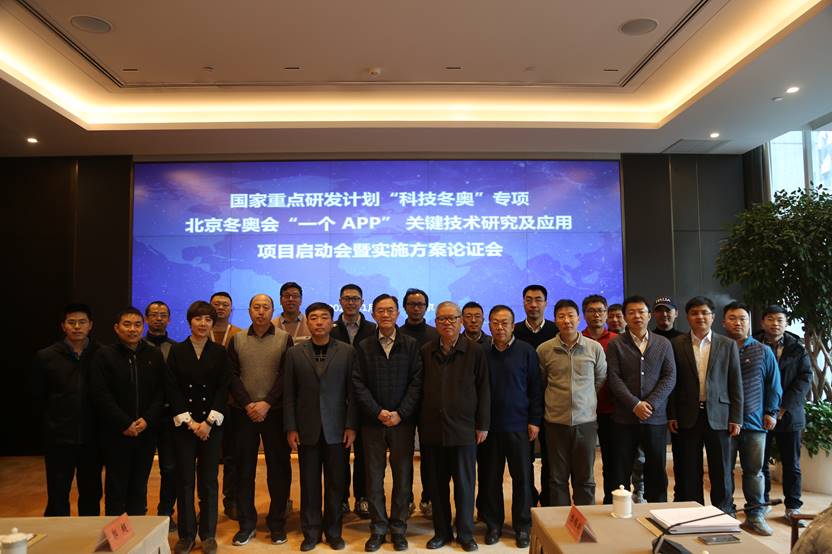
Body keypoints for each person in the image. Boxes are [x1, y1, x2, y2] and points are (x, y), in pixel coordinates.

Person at [284, 302, 359, 551]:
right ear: (307, 322)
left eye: (324, 317)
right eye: (314, 317)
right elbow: (289, 394)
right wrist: (291, 427)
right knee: (309, 485)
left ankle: (334, 532)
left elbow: (353, 393)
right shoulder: (294, 353)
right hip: (307, 429)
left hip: (337, 429)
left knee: (336, 484)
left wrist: (351, 426)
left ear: (331, 322)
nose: (318, 322)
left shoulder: (347, 352)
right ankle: (311, 533)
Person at [353, 294, 423, 552]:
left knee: (403, 477)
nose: (385, 314)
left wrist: (400, 413)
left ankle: (399, 527)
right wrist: (377, 412)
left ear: (397, 313)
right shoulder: (364, 346)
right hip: (373, 423)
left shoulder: (411, 344)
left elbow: (417, 382)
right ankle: (378, 527)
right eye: (380, 310)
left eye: (390, 310)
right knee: (374, 478)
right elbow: (357, 382)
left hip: (402, 423)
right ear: (373, 314)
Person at [420, 301, 489, 552]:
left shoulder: (475, 351)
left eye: (452, 318)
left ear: (460, 321)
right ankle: (442, 533)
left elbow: (484, 389)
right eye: (442, 319)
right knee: (437, 486)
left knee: (464, 485)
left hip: (464, 430)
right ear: (435, 322)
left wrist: (483, 425)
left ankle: (466, 533)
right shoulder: (426, 351)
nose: (447, 323)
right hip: (433, 430)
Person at [166, 301, 231, 554]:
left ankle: (208, 534)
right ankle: (186, 535)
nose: (203, 324)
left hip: (211, 426)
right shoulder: (177, 350)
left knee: (209, 481)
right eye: (198, 319)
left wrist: (208, 423)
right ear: (189, 321)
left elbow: (223, 388)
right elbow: (172, 388)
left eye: (208, 319)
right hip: (185, 426)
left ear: (212, 323)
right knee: (184, 481)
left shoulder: (220, 352)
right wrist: (191, 422)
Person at [228, 294, 293, 547]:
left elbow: (286, 375)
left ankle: (277, 523)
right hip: (243, 413)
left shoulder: (284, 338)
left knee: (279, 469)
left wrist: (267, 403)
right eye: (256, 307)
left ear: (272, 311)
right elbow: (232, 376)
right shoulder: (237, 339)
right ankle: (246, 524)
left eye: (266, 307)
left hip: (274, 412)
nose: (261, 311)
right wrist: (248, 404)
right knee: (243, 470)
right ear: (249, 311)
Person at [668, 296, 743, 513]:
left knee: (722, 469)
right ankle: (695, 513)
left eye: (704, 313)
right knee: (690, 470)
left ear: (713, 317)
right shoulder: (676, 344)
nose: (700, 317)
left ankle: (724, 511)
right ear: (687, 317)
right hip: (687, 415)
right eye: (694, 313)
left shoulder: (727, 344)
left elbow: (735, 383)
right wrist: (672, 414)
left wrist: (736, 417)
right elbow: (672, 382)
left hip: (720, 416)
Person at [90, 307, 166, 516]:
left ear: (143, 327)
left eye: (137, 325)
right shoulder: (104, 355)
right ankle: (116, 533)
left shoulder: (154, 354)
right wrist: (124, 423)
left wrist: (147, 420)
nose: (132, 329)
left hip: (145, 431)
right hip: (116, 432)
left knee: (139, 485)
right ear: (116, 328)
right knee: (116, 486)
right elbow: (100, 394)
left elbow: (161, 392)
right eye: (127, 324)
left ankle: (138, 531)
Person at [31, 303, 103, 517]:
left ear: (90, 325)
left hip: (92, 438)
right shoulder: (46, 356)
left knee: (91, 492)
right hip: (59, 438)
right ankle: (57, 534)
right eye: (71, 322)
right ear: (63, 326)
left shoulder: (102, 354)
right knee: (57, 492)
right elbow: (38, 397)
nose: (77, 327)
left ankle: (88, 534)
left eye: (82, 322)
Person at [478, 305, 541, 548]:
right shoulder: (482, 352)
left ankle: (522, 526)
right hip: (489, 429)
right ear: (489, 326)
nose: (500, 327)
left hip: (519, 427)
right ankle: (493, 525)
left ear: (513, 325)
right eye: (495, 322)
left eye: (505, 323)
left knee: (522, 479)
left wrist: (534, 420)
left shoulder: (526, 351)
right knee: (490, 478)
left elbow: (535, 387)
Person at [606, 295, 676, 503]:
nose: (637, 316)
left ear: (649, 315)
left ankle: (657, 512)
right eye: (631, 312)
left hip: (655, 418)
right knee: (621, 470)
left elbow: (670, 377)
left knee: (656, 470)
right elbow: (613, 378)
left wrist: (650, 404)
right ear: (625, 317)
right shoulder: (616, 344)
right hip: (624, 418)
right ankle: (621, 511)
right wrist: (635, 404)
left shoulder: (663, 343)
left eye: (641, 312)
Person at [539, 299, 607, 507]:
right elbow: (542, 382)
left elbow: (600, 378)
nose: (566, 320)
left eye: (571, 316)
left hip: (585, 422)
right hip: (555, 423)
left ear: (579, 319)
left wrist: (584, 399)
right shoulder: (544, 350)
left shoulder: (594, 348)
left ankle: (584, 520)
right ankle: (560, 522)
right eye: (561, 316)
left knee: (585, 478)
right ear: (555, 320)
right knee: (557, 479)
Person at [722, 301, 781, 535]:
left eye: (742, 318)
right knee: (723, 471)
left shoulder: (763, 351)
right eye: (732, 318)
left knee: (755, 471)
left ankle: (755, 515)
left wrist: (771, 412)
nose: (737, 323)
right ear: (723, 322)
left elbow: (774, 384)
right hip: (724, 423)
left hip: (755, 423)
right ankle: (725, 514)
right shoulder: (719, 348)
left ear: (749, 322)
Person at [757, 305, 813, 526]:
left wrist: (781, 408)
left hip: (789, 415)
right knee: (760, 464)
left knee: (791, 464)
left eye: (780, 319)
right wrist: (766, 409)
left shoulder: (797, 347)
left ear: (786, 323)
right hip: (759, 415)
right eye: (770, 319)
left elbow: (804, 379)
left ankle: (793, 507)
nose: (775, 323)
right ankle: (762, 503)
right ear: (762, 322)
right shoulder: (754, 344)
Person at [331, 283, 376, 519]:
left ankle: (363, 497)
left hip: (365, 398)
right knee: (339, 455)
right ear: (340, 301)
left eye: (355, 299)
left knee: (364, 454)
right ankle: (340, 499)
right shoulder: (330, 328)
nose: (351, 302)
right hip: (337, 401)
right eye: (347, 298)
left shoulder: (373, 329)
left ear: (362, 302)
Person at [513, 284, 557, 507]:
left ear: (545, 303)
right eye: (528, 300)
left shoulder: (556, 330)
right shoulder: (514, 331)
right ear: (523, 302)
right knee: (524, 458)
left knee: (551, 457)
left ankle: (548, 500)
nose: (533, 304)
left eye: (538, 299)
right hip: (523, 405)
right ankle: (528, 500)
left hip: (552, 403)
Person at [399, 287, 438, 518]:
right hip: (402, 405)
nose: (416, 308)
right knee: (403, 457)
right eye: (412, 304)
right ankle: (406, 500)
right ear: (405, 307)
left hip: (428, 405)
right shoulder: (397, 334)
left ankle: (428, 498)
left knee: (429, 455)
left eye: (420, 304)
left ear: (426, 307)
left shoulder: (435, 334)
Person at [580, 294, 618, 504]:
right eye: (591, 311)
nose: (596, 315)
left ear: (606, 314)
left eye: (600, 311)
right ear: (584, 314)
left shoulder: (617, 340)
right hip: (583, 412)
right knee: (583, 462)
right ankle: (584, 503)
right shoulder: (577, 339)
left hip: (610, 410)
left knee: (612, 460)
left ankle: (611, 501)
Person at [144, 300, 178, 531]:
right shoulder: (136, 347)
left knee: (170, 468)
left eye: (163, 314)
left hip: (169, 417)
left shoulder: (176, 348)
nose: (158, 318)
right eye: (154, 314)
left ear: (169, 319)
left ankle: (166, 512)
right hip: (143, 418)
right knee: (141, 468)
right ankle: (139, 512)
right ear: (146, 318)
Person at [208, 291, 242, 520]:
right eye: (216, 304)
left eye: (225, 305)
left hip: (232, 404)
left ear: (231, 309)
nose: (220, 308)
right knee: (207, 459)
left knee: (232, 456)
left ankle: (231, 500)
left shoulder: (239, 334)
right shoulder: (200, 332)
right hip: (205, 405)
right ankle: (207, 506)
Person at [651, 296, 682, 502]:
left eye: (668, 310)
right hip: (654, 405)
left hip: (679, 405)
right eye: (660, 310)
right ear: (653, 314)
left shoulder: (683, 339)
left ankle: (680, 497)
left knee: (681, 456)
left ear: (676, 313)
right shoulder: (649, 339)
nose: (664, 314)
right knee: (653, 458)